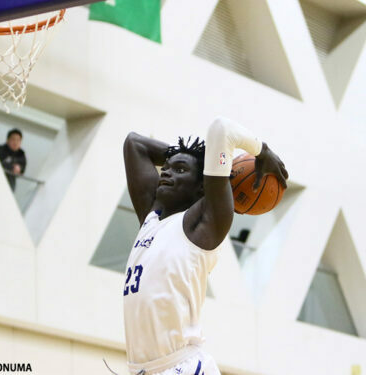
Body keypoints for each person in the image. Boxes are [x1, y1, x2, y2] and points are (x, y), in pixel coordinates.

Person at [122, 117, 289, 375]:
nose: (165, 172)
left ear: (202, 188)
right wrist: (188, 156)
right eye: (166, 168)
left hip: (183, 367)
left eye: (179, 170)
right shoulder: (151, 219)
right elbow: (134, 144)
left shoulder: (203, 223)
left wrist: (262, 151)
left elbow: (222, 130)